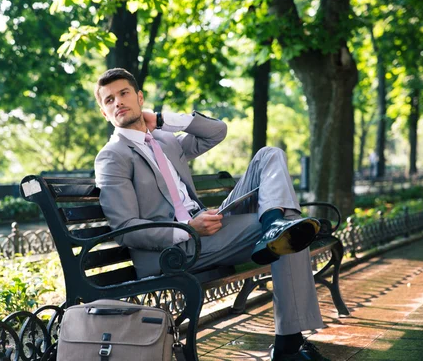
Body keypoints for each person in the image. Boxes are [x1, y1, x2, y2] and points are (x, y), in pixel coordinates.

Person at [94, 68, 330, 361]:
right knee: (292, 228)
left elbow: (217, 131)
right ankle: (287, 346)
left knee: (269, 155)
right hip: (174, 248)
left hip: (209, 226)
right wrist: (188, 228)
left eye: (124, 93)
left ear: (140, 98)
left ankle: (272, 224)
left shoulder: (166, 140)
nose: (117, 102)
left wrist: (166, 120)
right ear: (105, 113)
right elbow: (125, 228)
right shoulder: (112, 156)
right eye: (109, 100)